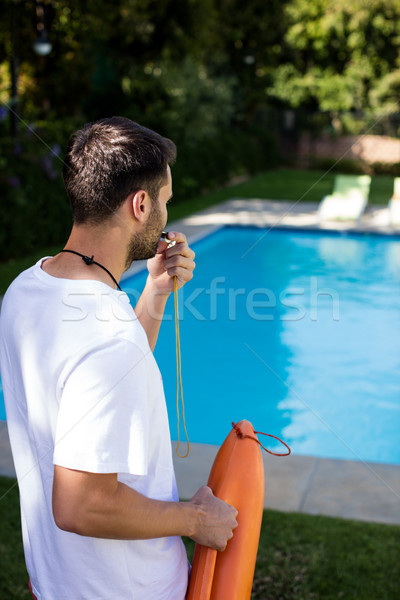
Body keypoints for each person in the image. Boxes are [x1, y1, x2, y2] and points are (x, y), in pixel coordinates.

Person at [0, 116, 237, 599]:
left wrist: (155, 289)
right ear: (141, 203)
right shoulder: (108, 336)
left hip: (63, 582)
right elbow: (81, 506)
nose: (167, 217)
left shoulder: (26, 288)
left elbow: (111, 377)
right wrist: (196, 519)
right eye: (165, 202)